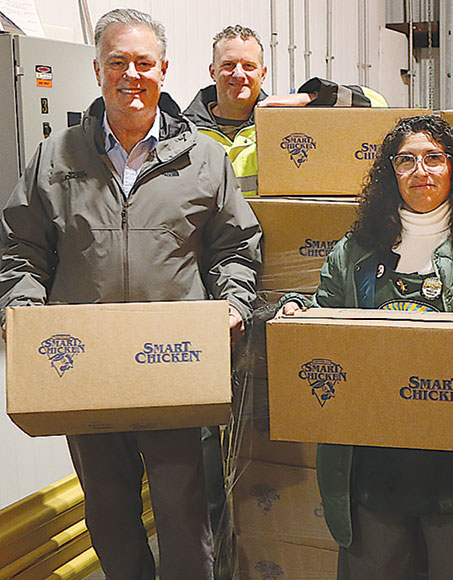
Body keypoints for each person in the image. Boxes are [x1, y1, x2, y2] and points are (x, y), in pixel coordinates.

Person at [0, 9, 262, 580]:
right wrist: (20, 308)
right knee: (110, 514)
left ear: (164, 70)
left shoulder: (204, 160)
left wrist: (235, 305)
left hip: (174, 367)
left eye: (143, 63)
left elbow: (236, 249)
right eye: (117, 62)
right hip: (85, 370)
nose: (131, 75)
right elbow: (21, 251)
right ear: (97, 70)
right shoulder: (55, 158)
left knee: (185, 516)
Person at [278, 114, 453, 580]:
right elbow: (321, 312)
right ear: (391, 172)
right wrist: (295, 310)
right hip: (373, 473)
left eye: (433, 158)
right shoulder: (357, 250)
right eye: (406, 160)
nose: (421, 171)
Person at [183, 24, 389, 197]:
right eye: (229, 64)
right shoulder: (184, 133)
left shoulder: (285, 123)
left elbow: (376, 103)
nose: (239, 74)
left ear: (263, 74)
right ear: (213, 71)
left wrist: (310, 97)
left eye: (248, 66)